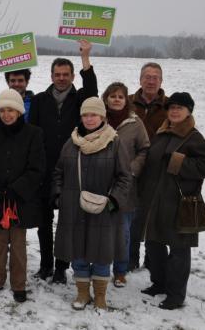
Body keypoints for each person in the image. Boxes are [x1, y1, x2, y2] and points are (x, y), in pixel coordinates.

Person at [28, 39, 98, 283]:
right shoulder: (38, 100)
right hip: (45, 170)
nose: (61, 78)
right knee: (44, 223)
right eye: (57, 74)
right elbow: (33, 134)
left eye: (65, 74)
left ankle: (61, 267)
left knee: (66, 223)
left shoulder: (80, 100)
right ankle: (46, 264)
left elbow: (92, 92)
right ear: (51, 75)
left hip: (72, 169)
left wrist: (85, 59)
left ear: (72, 76)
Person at [139, 92, 205, 310]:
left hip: (179, 202)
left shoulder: (193, 137)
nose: (174, 111)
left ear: (189, 111)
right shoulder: (163, 133)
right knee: (154, 244)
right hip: (155, 199)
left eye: (179, 108)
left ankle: (175, 295)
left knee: (179, 251)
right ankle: (159, 283)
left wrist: (178, 161)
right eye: (171, 107)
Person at [52, 97, 131, 310]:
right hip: (73, 208)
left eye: (93, 114)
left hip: (104, 209)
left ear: (102, 117)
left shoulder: (114, 142)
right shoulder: (72, 142)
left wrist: (113, 200)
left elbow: (124, 177)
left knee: (101, 254)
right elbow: (58, 172)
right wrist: (59, 196)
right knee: (78, 252)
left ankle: (100, 296)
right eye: (85, 115)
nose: (89, 119)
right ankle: (82, 293)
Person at [0, 89, 45, 303]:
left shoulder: (34, 133)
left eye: (11, 110)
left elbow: (37, 167)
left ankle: (19, 283)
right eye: (2, 110)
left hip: (20, 198)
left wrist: (17, 188)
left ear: (19, 111)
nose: (7, 114)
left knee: (18, 243)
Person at [102, 82, 150, 287]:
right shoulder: (97, 119)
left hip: (126, 186)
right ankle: (101, 266)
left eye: (120, 96)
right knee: (101, 229)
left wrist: (132, 168)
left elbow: (144, 149)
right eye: (112, 96)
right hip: (101, 183)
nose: (116, 99)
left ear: (126, 100)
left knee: (123, 231)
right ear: (106, 98)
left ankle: (120, 270)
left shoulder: (135, 123)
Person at [128, 62, 168, 271]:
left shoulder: (170, 106)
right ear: (140, 79)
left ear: (161, 81)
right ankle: (130, 259)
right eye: (147, 77)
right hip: (131, 168)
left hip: (158, 170)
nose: (151, 81)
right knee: (132, 216)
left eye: (155, 77)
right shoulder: (127, 102)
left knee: (154, 217)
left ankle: (153, 261)